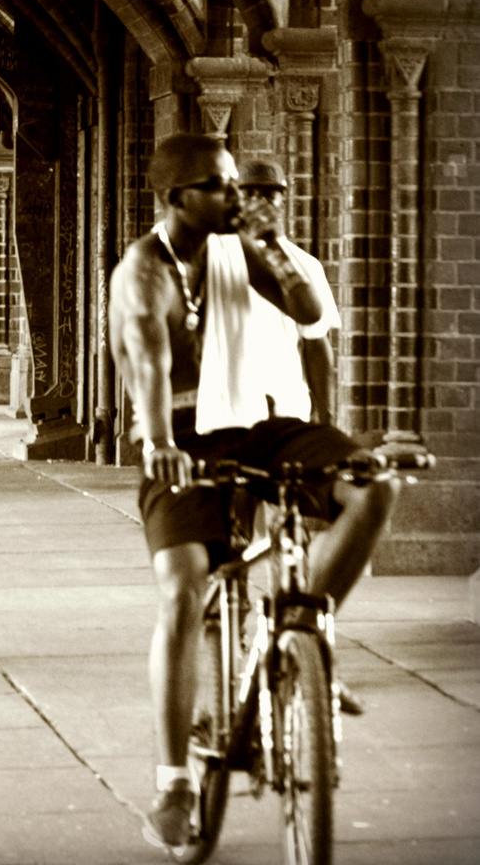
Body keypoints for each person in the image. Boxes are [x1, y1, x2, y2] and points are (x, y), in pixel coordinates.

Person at [108, 133, 401, 852]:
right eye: (219, 186)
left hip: (265, 425)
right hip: (181, 438)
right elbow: (144, 359)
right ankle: (175, 783)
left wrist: (268, 245)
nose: (235, 197)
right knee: (182, 589)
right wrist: (160, 446)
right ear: (178, 197)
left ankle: (297, 623)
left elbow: (306, 313)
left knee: (374, 486)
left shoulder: (238, 248)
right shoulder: (142, 271)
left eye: (238, 183)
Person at [234, 157, 340, 424]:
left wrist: (327, 419)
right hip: (229, 412)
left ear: (282, 201)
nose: (259, 202)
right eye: (249, 193)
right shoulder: (215, 257)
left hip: (287, 406)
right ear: (235, 199)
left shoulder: (305, 265)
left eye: (270, 194)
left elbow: (316, 344)